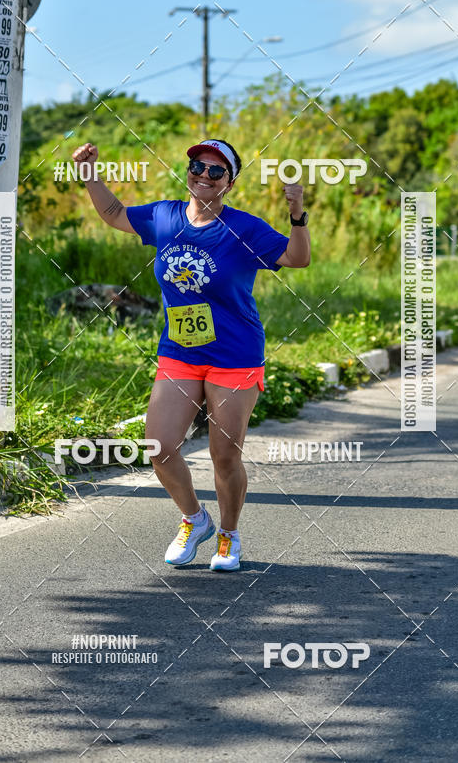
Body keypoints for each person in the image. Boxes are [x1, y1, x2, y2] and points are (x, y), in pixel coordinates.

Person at [71, 138, 311, 571]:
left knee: (224, 456)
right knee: (159, 446)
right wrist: (89, 173)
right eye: (198, 166)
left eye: (216, 171)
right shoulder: (164, 216)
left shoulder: (244, 229)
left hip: (235, 355)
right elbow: (114, 213)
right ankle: (194, 519)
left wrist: (297, 214)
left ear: (229, 183)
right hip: (180, 351)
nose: (204, 175)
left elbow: (297, 258)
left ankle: (228, 534)